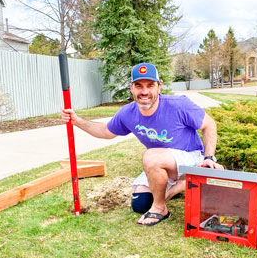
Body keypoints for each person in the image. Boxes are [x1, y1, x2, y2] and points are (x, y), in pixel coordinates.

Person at [61, 62, 224, 226]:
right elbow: (105, 131)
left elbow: (209, 124)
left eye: (150, 85)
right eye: (139, 86)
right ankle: (181, 184)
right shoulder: (127, 113)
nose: (144, 91)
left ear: (159, 87)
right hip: (163, 163)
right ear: (131, 88)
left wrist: (209, 157)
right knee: (140, 204)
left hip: (191, 158)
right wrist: (77, 121)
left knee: (151, 156)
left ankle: (160, 208)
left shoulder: (179, 105)